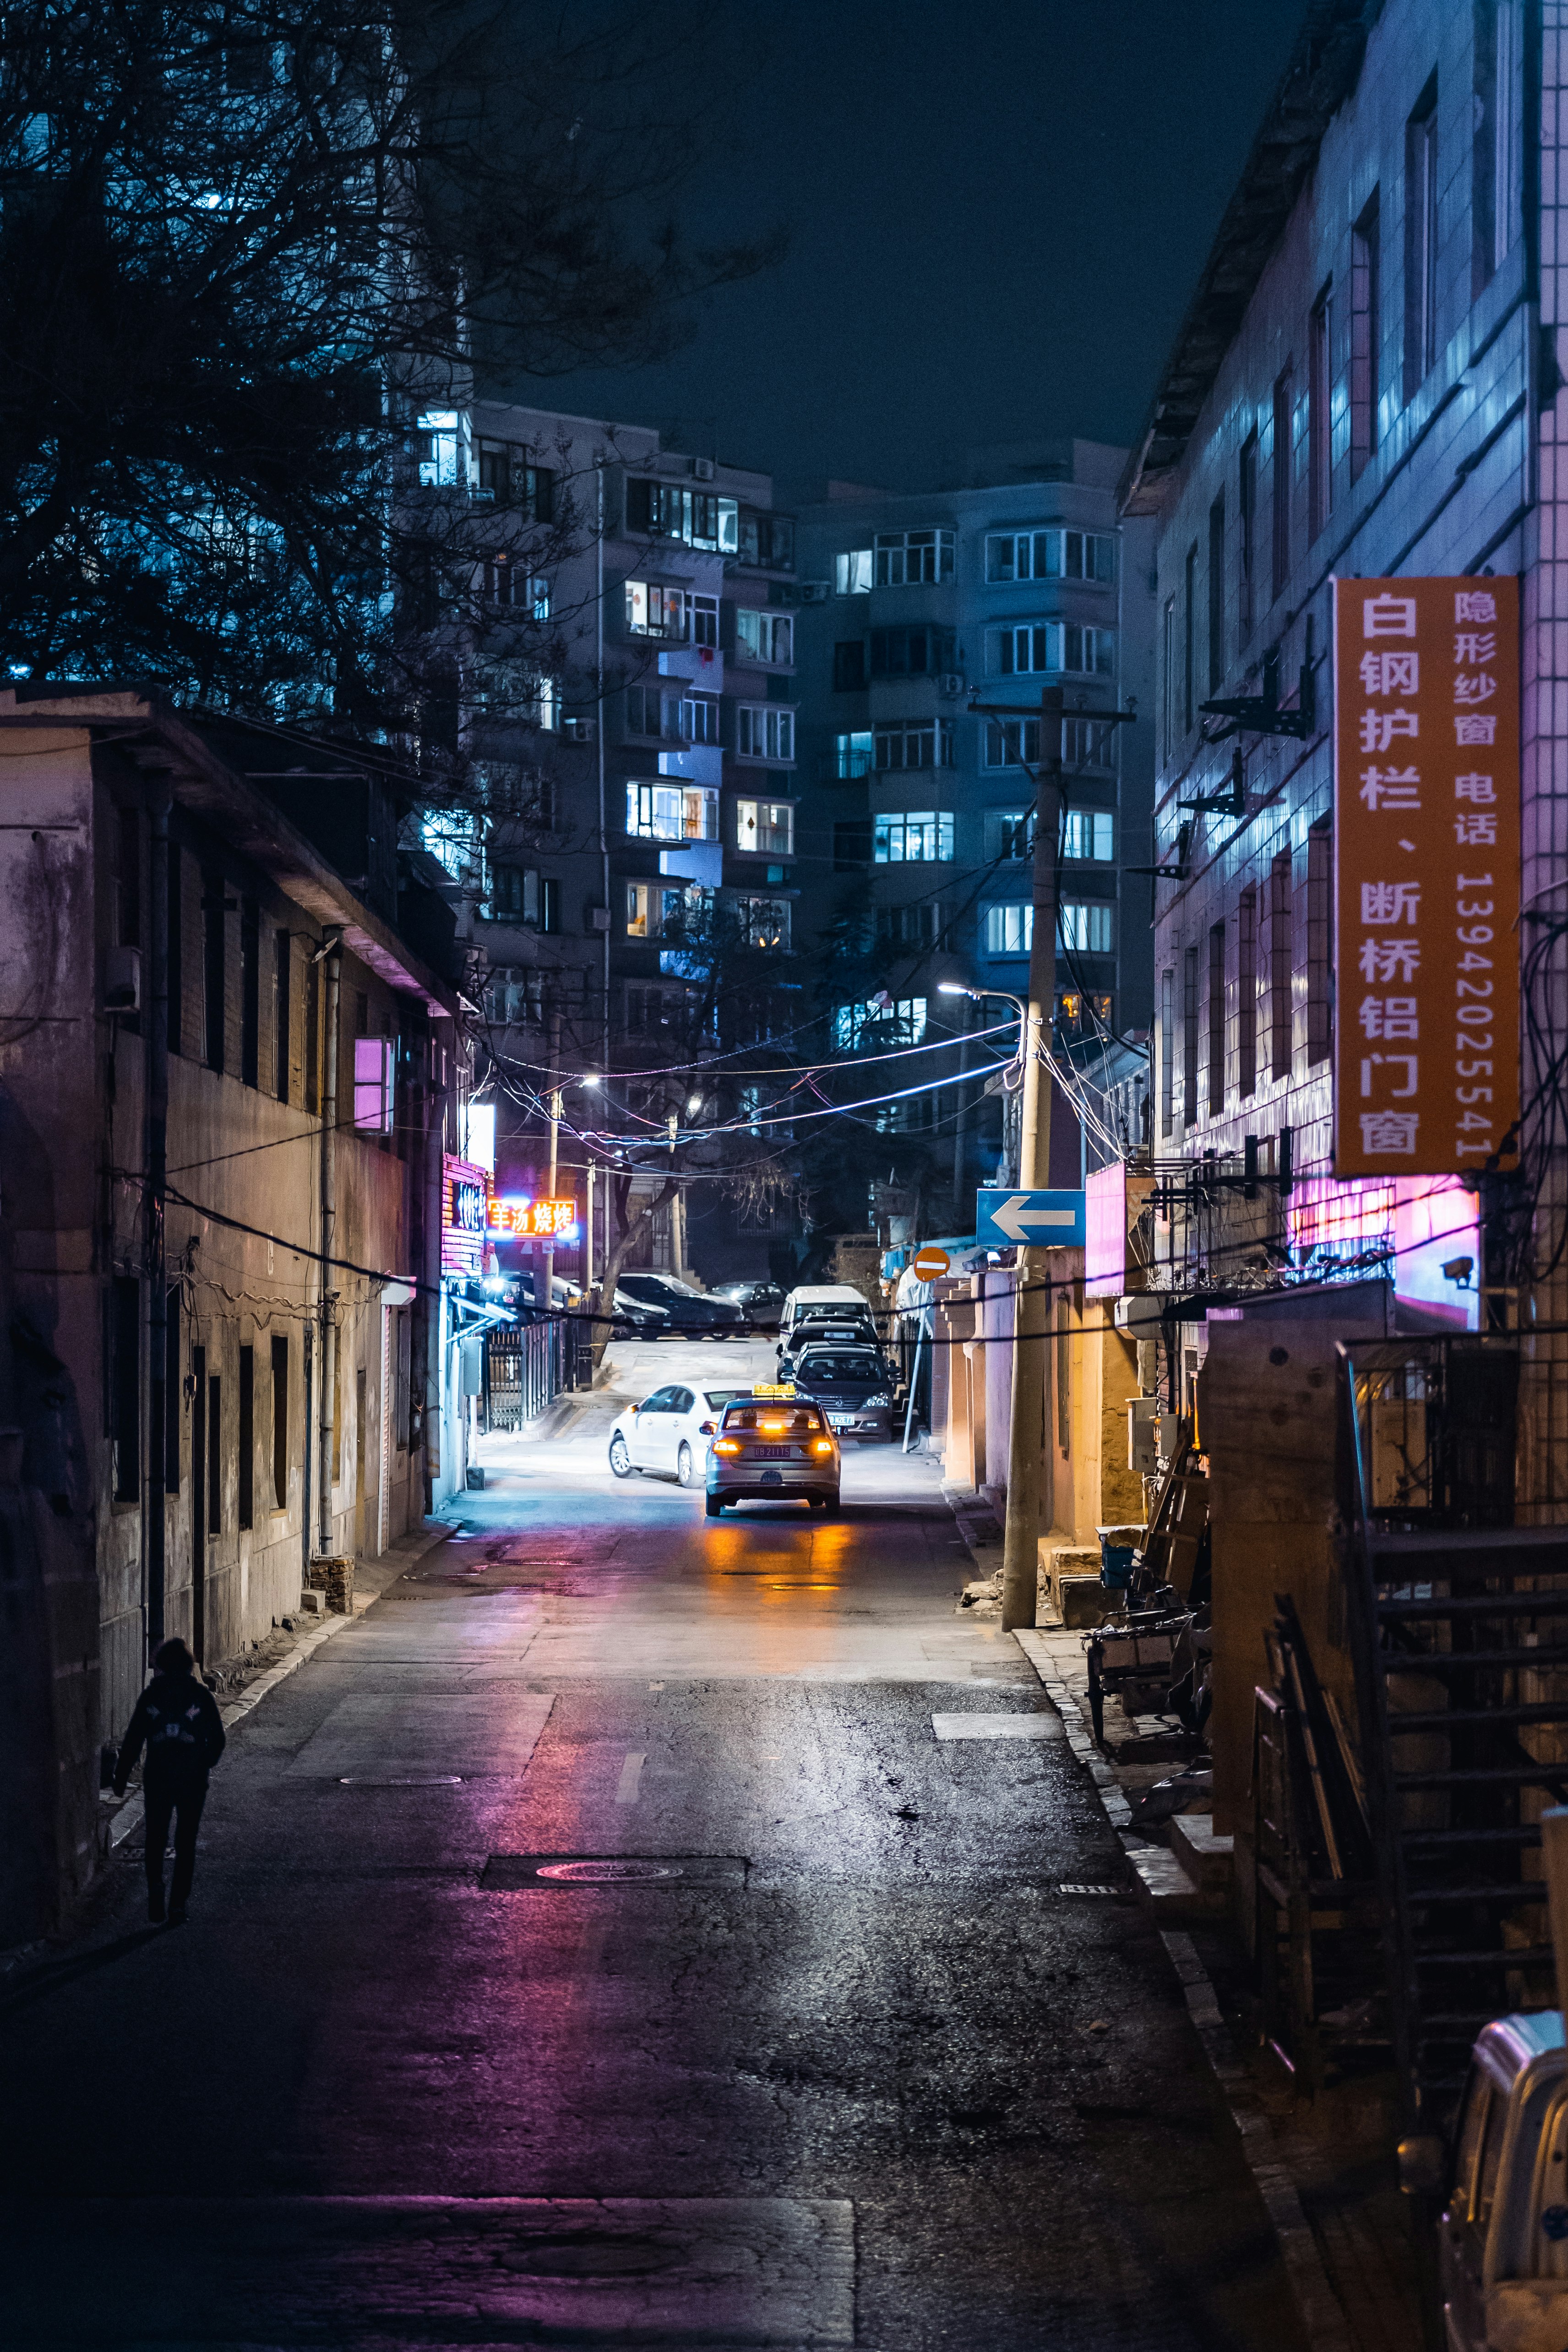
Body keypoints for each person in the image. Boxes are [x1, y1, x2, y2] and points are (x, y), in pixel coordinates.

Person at [113, 1638, 226, 1926]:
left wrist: (122, 1776)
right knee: (185, 1842)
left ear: (161, 1665)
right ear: (189, 1665)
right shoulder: (201, 1696)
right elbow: (218, 1739)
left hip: (159, 1776)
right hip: (192, 1780)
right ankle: (177, 1905)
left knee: (156, 1838)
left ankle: (155, 1892)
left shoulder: (152, 1697)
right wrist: (203, 1761)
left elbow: (134, 1737)